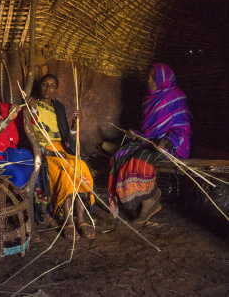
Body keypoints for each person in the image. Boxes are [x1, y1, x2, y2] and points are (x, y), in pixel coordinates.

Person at [108, 63, 191, 224]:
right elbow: (147, 131)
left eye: (153, 77)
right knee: (119, 155)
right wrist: (136, 134)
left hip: (173, 144)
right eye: (148, 76)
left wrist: (167, 141)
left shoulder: (176, 96)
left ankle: (148, 203)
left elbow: (183, 128)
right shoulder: (148, 98)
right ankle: (151, 195)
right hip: (150, 141)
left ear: (164, 78)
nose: (148, 80)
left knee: (137, 161)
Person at [0, 76, 54, 226]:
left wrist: (32, 108)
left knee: (39, 167)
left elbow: (29, 121)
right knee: (19, 174)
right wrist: (6, 120)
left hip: (14, 155)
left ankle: (41, 213)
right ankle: (19, 219)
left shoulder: (4, 107)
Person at [33, 74, 95, 240]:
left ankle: (81, 219)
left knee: (80, 166)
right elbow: (31, 137)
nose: (48, 88)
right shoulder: (32, 106)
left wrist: (74, 124)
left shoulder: (58, 107)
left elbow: (68, 136)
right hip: (45, 151)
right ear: (39, 86)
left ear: (55, 90)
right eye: (45, 84)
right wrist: (50, 152)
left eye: (52, 85)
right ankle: (68, 219)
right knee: (65, 170)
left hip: (61, 149)